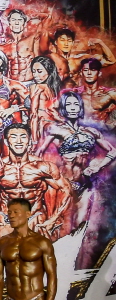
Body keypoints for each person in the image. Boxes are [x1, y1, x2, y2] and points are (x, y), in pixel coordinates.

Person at [37, 91, 116, 230]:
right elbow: (38, 153)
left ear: (80, 107)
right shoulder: (55, 130)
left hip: (87, 184)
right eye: (68, 104)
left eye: (75, 104)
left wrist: (98, 167)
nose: (73, 108)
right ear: (63, 108)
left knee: (81, 224)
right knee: (65, 225)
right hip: (66, 184)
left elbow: (113, 151)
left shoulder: (91, 131)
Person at [0, 123, 73, 240]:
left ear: (29, 141)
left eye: (23, 137)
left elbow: (66, 191)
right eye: (14, 137)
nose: (19, 141)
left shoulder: (43, 167)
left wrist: (53, 220)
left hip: (35, 218)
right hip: (7, 220)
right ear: (7, 142)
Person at [27, 56, 63, 141]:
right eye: (33, 71)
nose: (35, 75)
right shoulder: (55, 89)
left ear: (49, 71)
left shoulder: (36, 87)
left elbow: (34, 115)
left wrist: (34, 140)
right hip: (54, 126)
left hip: (41, 127)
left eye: (39, 71)